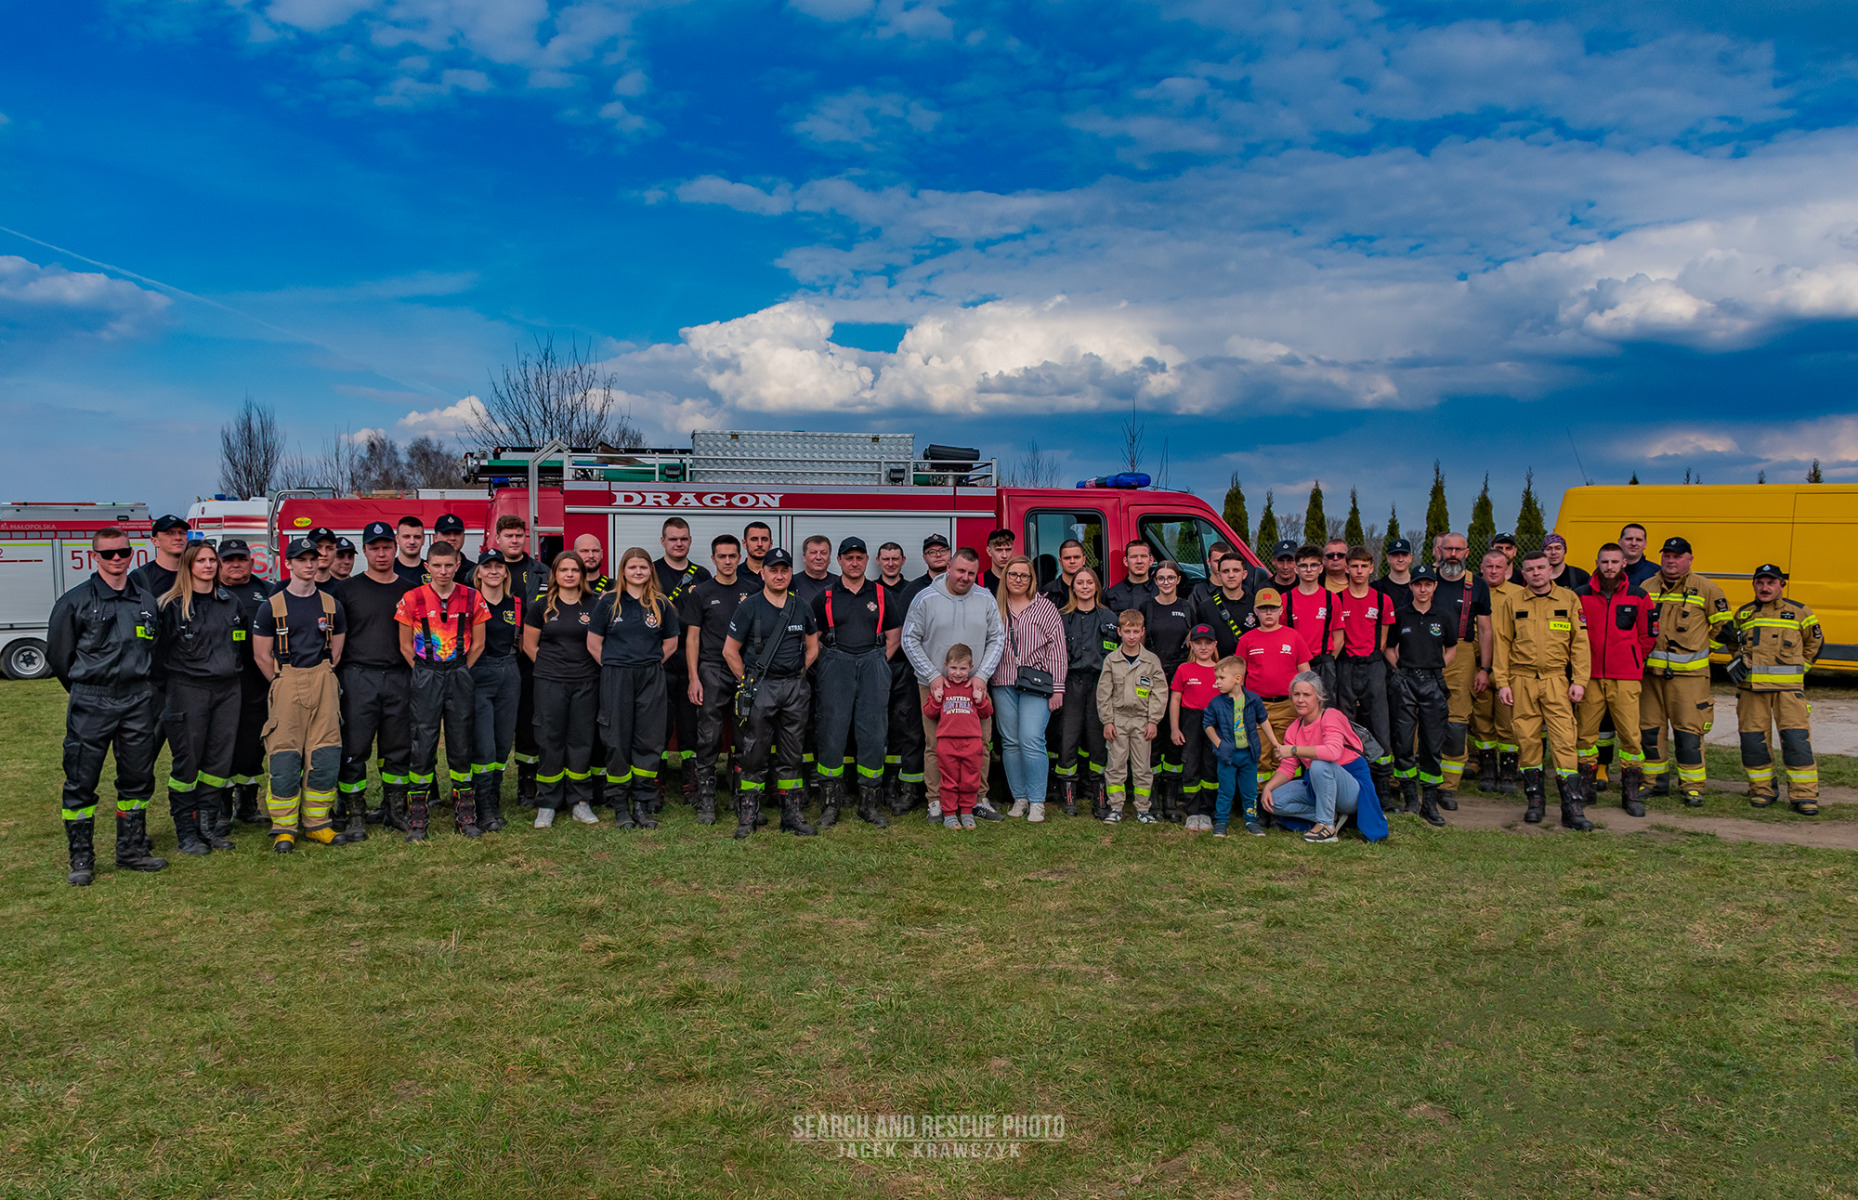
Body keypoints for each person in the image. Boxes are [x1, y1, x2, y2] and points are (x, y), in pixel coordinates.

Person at [48, 525, 168, 884]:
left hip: (137, 700)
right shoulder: (75, 601)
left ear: (132, 554)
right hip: (92, 700)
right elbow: (59, 657)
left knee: (137, 778)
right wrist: (87, 690)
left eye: (123, 552)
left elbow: (154, 646)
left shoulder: (145, 601)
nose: (117, 559)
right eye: (109, 553)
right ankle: (81, 859)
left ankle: (131, 850)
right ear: (94, 556)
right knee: (81, 780)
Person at [251, 537, 348, 852]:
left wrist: (321, 675)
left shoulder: (332, 605)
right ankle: (284, 827)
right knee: (285, 757)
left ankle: (317, 822)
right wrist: (282, 681)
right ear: (288, 564)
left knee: (326, 755)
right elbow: (262, 655)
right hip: (286, 679)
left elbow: (336, 651)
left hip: (324, 679)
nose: (309, 564)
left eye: (313, 558)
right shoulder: (271, 606)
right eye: (302, 559)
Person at [902, 547, 1006, 824]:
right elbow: (909, 638)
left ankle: (978, 799)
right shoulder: (926, 599)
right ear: (948, 566)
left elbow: (998, 638)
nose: (965, 578)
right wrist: (933, 675)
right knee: (936, 744)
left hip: (974, 687)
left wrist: (982, 676)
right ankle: (936, 802)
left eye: (971, 573)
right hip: (935, 686)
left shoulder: (985, 598)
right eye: (960, 571)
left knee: (981, 744)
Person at [395, 541, 489, 840]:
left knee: (461, 744)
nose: (443, 571)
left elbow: (479, 643)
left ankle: (465, 812)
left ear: (458, 564)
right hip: (426, 674)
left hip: (459, 672)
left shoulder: (473, 597)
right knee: (422, 743)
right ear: (427, 567)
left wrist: (461, 669)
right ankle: (418, 816)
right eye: (437, 565)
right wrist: (424, 672)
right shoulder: (412, 598)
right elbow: (405, 645)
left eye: (449, 565)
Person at [1492, 550, 1593, 828]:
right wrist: (1502, 683)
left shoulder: (1569, 599)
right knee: (1527, 741)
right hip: (1521, 680)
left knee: (1564, 740)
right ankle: (1535, 802)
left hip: (1556, 680)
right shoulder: (1512, 603)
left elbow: (1581, 643)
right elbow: (1502, 644)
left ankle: (1573, 808)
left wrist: (1580, 681)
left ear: (1551, 570)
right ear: (1522, 574)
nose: (1536, 573)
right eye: (1530, 569)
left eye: (1541, 568)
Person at [724, 548, 821, 837]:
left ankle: (791, 815)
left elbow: (813, 647)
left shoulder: (801, 605)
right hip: (760, 688)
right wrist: (748, 683)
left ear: (791, 574)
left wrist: (796, 673)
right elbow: (729, 651)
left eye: (785, 570)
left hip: (794, 688)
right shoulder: (749, 606)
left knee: (792, 754)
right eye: (773, 570)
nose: (779, 575)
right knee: (753, 754)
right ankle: (748, 816)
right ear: (762, 573)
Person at [156, 542, 245, 855]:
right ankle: (186, 833)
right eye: (201, 561)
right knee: (188, 764)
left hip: (228, 690)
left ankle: (208, 827)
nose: (208, 565)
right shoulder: (171, 605)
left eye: (212, 560)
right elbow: (157, 654)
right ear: (188, 566)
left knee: (218, 762)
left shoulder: (230, 602)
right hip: (187, 690)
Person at [332, 521, 416, 839]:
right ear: (364, 551)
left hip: (399, 677)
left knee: (398, 748)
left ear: (395, 548)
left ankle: (394, 810)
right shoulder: (346, 591)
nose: (381, 554)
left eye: (386, 547)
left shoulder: (410, 590)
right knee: (354, 749)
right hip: (358, 678)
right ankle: (355, 813)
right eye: (374, 548)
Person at [591, 547, 682, 830]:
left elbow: (671, 644)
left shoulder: (661, 604)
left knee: (649, 739)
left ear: (650, 571)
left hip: (651, 676)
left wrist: (649, 663)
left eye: (643, 567)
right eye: (632, 567)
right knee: (616, 738)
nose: (638, 572)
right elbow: (594, 643)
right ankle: (620, 804)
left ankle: (643, 803)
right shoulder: (608, 603)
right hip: (616, 675)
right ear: (623, 571)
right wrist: (615, 666)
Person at [810, 537, 898, 829]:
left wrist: (876, 662)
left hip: (873, 664)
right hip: (836, 667)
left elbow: (894, 635)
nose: (854, 562)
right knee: (831, 734)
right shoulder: (824, 597)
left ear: (866, 560)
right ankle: (830, 805)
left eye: (860, 557)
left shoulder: (883, 595)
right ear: (839, 561)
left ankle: (868, 805)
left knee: (873, 735)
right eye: (849, 557)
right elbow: (813, 638)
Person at [1642, 536, 1732, 804]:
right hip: (1651, 677)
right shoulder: (1646, 587)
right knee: (1649, 731)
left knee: (1688, 733)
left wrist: (1702, 651)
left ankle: (1692, 786)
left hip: (1690, 678)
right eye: (1667, 555)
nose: (1671, 560)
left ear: (1690, 560)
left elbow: (1724, 628)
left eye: (1678, 556)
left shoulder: (1706, 589)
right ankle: (1653, 782)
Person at [1729, 564, 1823, 814]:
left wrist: (1798, 671)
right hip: (1751, 691)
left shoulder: (1800, 612)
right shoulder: (1744, 614)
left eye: (1771, 583)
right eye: (1760, 583)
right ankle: (1761, 790)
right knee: (1753, 741)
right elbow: (1733, 644)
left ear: (1781, 585)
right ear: (1753, 585)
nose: (1765, 588)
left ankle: (1804, 795)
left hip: (1788, 692)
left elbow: (1815, 643)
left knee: (1796, 742)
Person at [1574, 544, 1655, 816]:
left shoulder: (1639, 596)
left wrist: (1632, 658)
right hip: (1590, 676)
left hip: (1626, 677)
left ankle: (1631, 793)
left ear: (1624, 564)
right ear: (1596, 562)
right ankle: (1586, 789)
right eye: (1605, 562)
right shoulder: (1580, 595)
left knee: (1631, 736)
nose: (1609, 567)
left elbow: (1648, 636)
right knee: (1585, 734)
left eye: (1615, 562)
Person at [1259, 673, 1388, 843]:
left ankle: (1326, 827)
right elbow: (1288, 766)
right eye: (1296, 694)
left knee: (1319, 765)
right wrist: (1268, 787)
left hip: (1351, 786)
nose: (1300, 700)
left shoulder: (1331, 716)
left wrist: (1295, 749)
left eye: (1307, 695)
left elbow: (1332, 753)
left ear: (1319, 698)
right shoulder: (1294, 728)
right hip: (1318, 782)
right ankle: (1331, 816)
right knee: (1273, 800)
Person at [684, 535, 760, 825]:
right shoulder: (701, 592)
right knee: (709, 736)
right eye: (722, 556)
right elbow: (692, 638)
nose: (727, 561)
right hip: (712, 669)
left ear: (739, 557)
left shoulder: (753, 591)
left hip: (743, 670)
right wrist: (694, 677)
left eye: (732, 556)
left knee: (746, 737)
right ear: (713, 559)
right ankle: (706, 801)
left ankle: (742, 800)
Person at [524, 552, 602, 828]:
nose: (569, 574)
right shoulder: (540, 606)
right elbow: (529, 645)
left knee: (581, 740)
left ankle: (580, 801)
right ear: (554, 574)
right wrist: (550, 668)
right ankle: (547, 803)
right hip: (549, 682)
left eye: (574, 570)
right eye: (563, 569)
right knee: (550, 739)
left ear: (582, 574)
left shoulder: (595, 605)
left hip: (586, 682)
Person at [990, 554, 1067, 821]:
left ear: (1032, 579)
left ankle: (1037, 801)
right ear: (1005, 577)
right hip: (1002, 682)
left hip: (1037, 684)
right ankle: (1019, 798)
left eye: (1024, 575)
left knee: (1032, 739)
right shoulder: (994, 606)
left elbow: (1058, 650)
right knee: (1011, 742)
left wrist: (1058, 688)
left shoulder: (1044, 608)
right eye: (1013, 575)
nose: (1018, 580)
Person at [1384, 564, 1455, 826]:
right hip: (1405, 682)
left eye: (1427, 584)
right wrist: (1400, 671)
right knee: (1403, 742)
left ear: (1435, 586)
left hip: (1433, 684)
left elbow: (1452, 648)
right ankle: (1411, 801)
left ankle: (1430, 803)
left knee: (1432, 744)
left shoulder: (1444, 616)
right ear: (1411, 586)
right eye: (1418, 584)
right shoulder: (1401, 614)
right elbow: (1389, 647)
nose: (1422, 589)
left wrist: (1437, 667)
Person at [653, 517, 711, 808]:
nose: (679, 543)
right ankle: (656, 782)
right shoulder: (649, 571)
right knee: (658, 726)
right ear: (663, 541)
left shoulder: (702, 575)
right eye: (673, 538)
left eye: (684, 538)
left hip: (691, 664)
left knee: (691, 727)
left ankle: (691, 782)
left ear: (690, 541)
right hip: (658, 663)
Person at [492, 515, 550, 805]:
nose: (515, 540)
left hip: (530, 658)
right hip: (494, 657)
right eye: (509, 535)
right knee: (495, 722)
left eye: (519, 535)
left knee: (529, 720)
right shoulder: (485, 569)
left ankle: (528, 780)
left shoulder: (541, 572)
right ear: (497, 538)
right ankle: (490, 781)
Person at [1331, 546, 1396, 802]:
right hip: (1345, 666)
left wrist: (1370, 661)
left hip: (1373, 666)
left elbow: (1383, 640)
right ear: (1347, 568)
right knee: (1345, 723)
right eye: (1354, 566)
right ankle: (1351, 783)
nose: (1359, 571)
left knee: (1380, 723)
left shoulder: (1382, 600)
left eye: (1364, 566)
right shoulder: (1337, 599)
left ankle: (1383, 788)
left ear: (1372, 568)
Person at [215, 539, 272, 828]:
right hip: (221, 683)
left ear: (251, 561)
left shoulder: (267, 592)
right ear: (218, 564)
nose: (235, 564)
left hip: (257, 684)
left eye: (241, 558)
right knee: (221, 746)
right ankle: (221, 809)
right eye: (228, 560)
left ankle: (247, 806)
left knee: (252, 747)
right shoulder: (210, 593)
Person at [1235, 589, 1313, 790]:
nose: (1268, 613)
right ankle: (1261, 801)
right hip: (1257, 706)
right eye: (1263, 609)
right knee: (1259, 753)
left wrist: (1309, 700)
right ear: (1255, 612)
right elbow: (1238, 677)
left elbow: (1305, 672)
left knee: (1284, 753)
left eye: (1273, 608)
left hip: (1287, 706)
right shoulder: (1247, 640)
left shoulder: (1293, 636)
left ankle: (1283, 798)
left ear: (1281, 610)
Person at [467, 552, 521, 833]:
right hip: (479, 673)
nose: (493, 571)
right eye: (487, 567)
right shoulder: (470, 603)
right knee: (484, 743)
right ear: (478, 573)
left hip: (510, 673)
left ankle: (494, 799)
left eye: (498, 566)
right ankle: (483, 805)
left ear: (505, 572)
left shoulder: (518, 604)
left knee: (502, 743)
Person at [1056, 567, 1116, 815]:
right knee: (1068, 740)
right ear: (1073, 587)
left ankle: (1099, 797)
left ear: (1096, 586)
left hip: (1100, 686)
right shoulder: (1061, 617)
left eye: (1089, 582)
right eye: (1079, 582)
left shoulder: (1110, 617)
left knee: (1098, 742)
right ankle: (1068, 797)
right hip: (1071, 684)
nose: (1084, 586)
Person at [1140, 562, 1196, 813]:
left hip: (1179, 680)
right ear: (1154, 580)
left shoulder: (1187, 607)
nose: (1165, 582)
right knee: (1151, 738)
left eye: (1170, 577)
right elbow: (1139, 645)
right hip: (1151, 679)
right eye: (1161, 578)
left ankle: (1171, 799)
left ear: (1178, 579)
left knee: (1174, 739)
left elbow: (1194, 642)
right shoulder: (1147, 607)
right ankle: (1151, 799)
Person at [1470, 548, 1523, 793]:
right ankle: (1488, 771)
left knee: (1508, 722)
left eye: (1498, 567)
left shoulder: (1519, 594)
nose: (1493, 571)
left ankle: (1509, 773)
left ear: (1507, 568)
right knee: (1482, 720)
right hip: (1477, 667)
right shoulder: (1472, 591)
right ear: (1481, 567)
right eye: (1488, 566)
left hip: (1509, 669)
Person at [923, 644, 993, 829]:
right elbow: (929, 713)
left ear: (971, 667)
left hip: (972, 743)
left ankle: (967, 812)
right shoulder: (941, 687)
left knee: (970, 781)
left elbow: (987, 713)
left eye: (963, 668)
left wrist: (981, 700)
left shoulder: (973, 687)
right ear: (946, 665)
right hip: (947, 743)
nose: (958, 673)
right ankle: (949, 814)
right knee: (949, 781)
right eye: (953, 668)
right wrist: (937, 700)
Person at [1430, 531, 1478, 801]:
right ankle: (1415, 779)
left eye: (1458, 550)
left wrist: (1486, 669)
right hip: (1425, 651)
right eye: (1448, 549)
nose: (1453, 554)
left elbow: (1484, 627)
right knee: (1417, 719)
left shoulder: (1476, 585)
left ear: (1467, 552)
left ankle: (1448, 785)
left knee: (1456, 721)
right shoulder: (1424, 580)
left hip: (1462, 653)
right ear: (1438, 550)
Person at [1205, 656, 1273, 837]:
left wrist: (1275, 743)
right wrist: (1220, 744)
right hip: (1228, 756)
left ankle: (1251, 820)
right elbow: (1208, 725)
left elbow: (1264, 721)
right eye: (1216, 678)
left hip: (1249, 755)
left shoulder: (1253, 700)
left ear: (1237, 678)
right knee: (1225, 790)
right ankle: (1221, 822)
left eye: (1221, 678)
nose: (1217, 682)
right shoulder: (1216, 703)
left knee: (1250, 790)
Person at [1170, 626, 1222, 828]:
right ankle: (1192, 811)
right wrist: (1175, 728)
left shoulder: (1221, 669)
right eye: (1198, 642)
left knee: (1211, 766)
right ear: (1191, 644)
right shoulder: (1184, 669)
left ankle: (1207, 810)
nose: (1203, 647)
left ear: (1215, 645)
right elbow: (1175, 700)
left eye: (1207, 643)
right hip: (1190, 720)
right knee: (1191, 765)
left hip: (1215, 722)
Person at [1193, 553, 1257, 659]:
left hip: (1251, 669)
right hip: (1217, 670)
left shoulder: (1256, 605)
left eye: (1236, 570)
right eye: (1225, 571)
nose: (1231, 575)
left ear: (1244, 574)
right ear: (1219, 576)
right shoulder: (1206, 608)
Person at [133, 514, 190, 599]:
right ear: (155, 541)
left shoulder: (195, 572)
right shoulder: (140, 578)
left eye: (182, 533)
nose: (178, 537)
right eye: (169, 533)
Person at [1104, 540, 1158, 613]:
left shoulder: (1161, 592)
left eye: (1143, 556)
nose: (1139, 561)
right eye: (1134, 557)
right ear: (1126, 561)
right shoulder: (1111, 595)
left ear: (1151, 560)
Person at [1040, 539, 1087, 604]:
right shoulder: (1047, 592)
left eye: (1076, 557)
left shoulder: (1094, 590)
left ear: (1084, 560)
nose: (1072, 561)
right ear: (1060, 561)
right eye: (1067, 558)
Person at [1374, 538, 1415, 611]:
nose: (1400, 559)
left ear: (1410, 558)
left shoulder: (1419, 587)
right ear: (1388, 558)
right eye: (1395, 555)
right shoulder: (1376, 588)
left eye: (1404, 555)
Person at [434, 514, 473, 586]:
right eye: (446, 533)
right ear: (435, 537)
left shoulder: (475, 571)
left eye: (457, 533)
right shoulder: (424, 570)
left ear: (464, 536)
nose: (452, 538)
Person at [392, 516, 428, 584]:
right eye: (406, 537)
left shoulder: (432, 569)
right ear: (397, 539)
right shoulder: (388, 569)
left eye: (417, 537)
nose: (412, 542)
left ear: (423, 539)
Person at [979, 527, 1016, 593]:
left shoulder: (1019, 580)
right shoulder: (979, 581)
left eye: (1008, 550)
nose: (1004, 556)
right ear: (989, 551)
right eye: (999, 550)